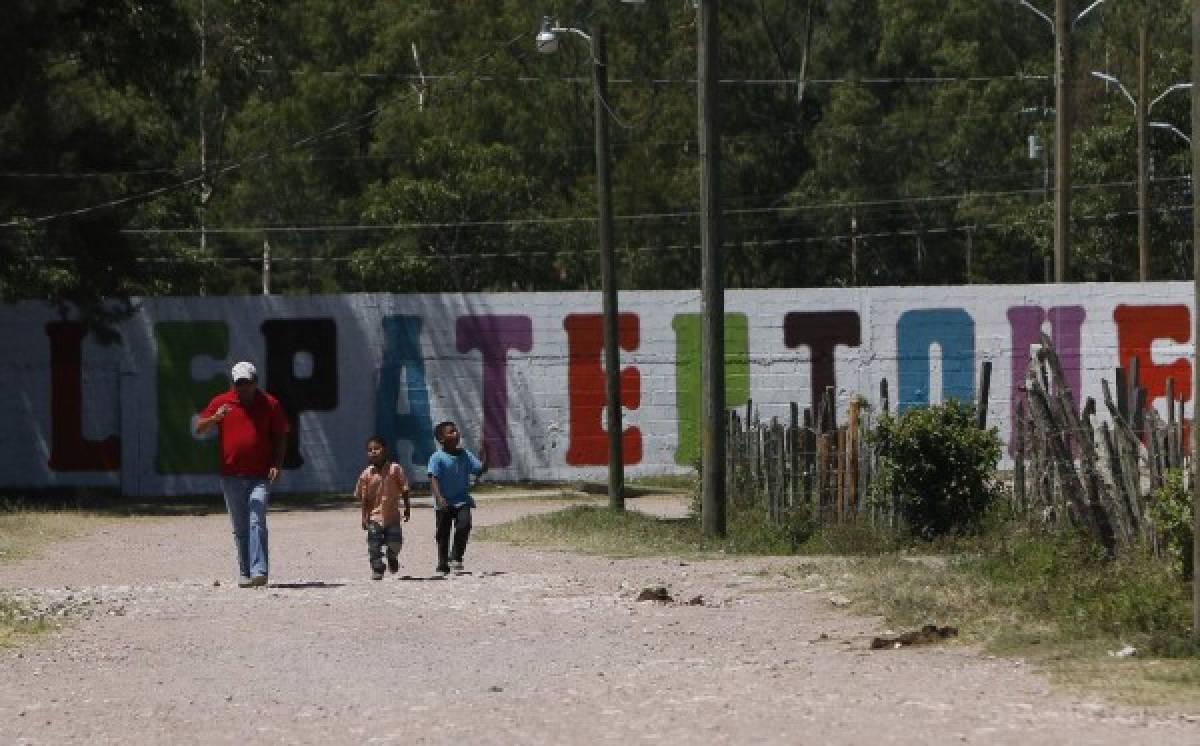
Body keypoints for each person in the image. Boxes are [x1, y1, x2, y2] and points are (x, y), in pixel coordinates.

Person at [195, 361, 289, 588]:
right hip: (231, 475)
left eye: (247, 383)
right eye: (239, 384)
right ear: (233, 384)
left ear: (256, 382)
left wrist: (277, 463)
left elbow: (281, 435)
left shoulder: (270, 403)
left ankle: (259, 570)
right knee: (240, 527)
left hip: (260, 475)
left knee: (257, 518)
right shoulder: (222, 402)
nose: (243, 388)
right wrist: (214, 418)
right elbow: (198, 428)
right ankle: (245, 573)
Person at [427, 421, 488, 575]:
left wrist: (485, 457)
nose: (456, 434)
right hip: (444, 502)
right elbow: (433, 479)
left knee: (464, 525)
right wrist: (439, 498)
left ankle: (456, 557)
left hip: (462, 500)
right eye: (451, 432)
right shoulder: (437, 457)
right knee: (443, 533)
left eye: (456, 431)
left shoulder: (465, 455)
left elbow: (479, 470)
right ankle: (442, 564)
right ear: (441, 439)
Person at [355, 435, 411, 580]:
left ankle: (392, 557)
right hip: (374, 517)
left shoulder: (395, 469)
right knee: (373, 544)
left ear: (385, 450)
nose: (373, 452)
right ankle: (378, 568)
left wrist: (407, 508)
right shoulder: (366, 474)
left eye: (377, 448)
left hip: (392, 516)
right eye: (370, 450)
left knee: (395, 543)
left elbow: (405, 489)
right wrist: (364, 517)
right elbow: (364, 499)